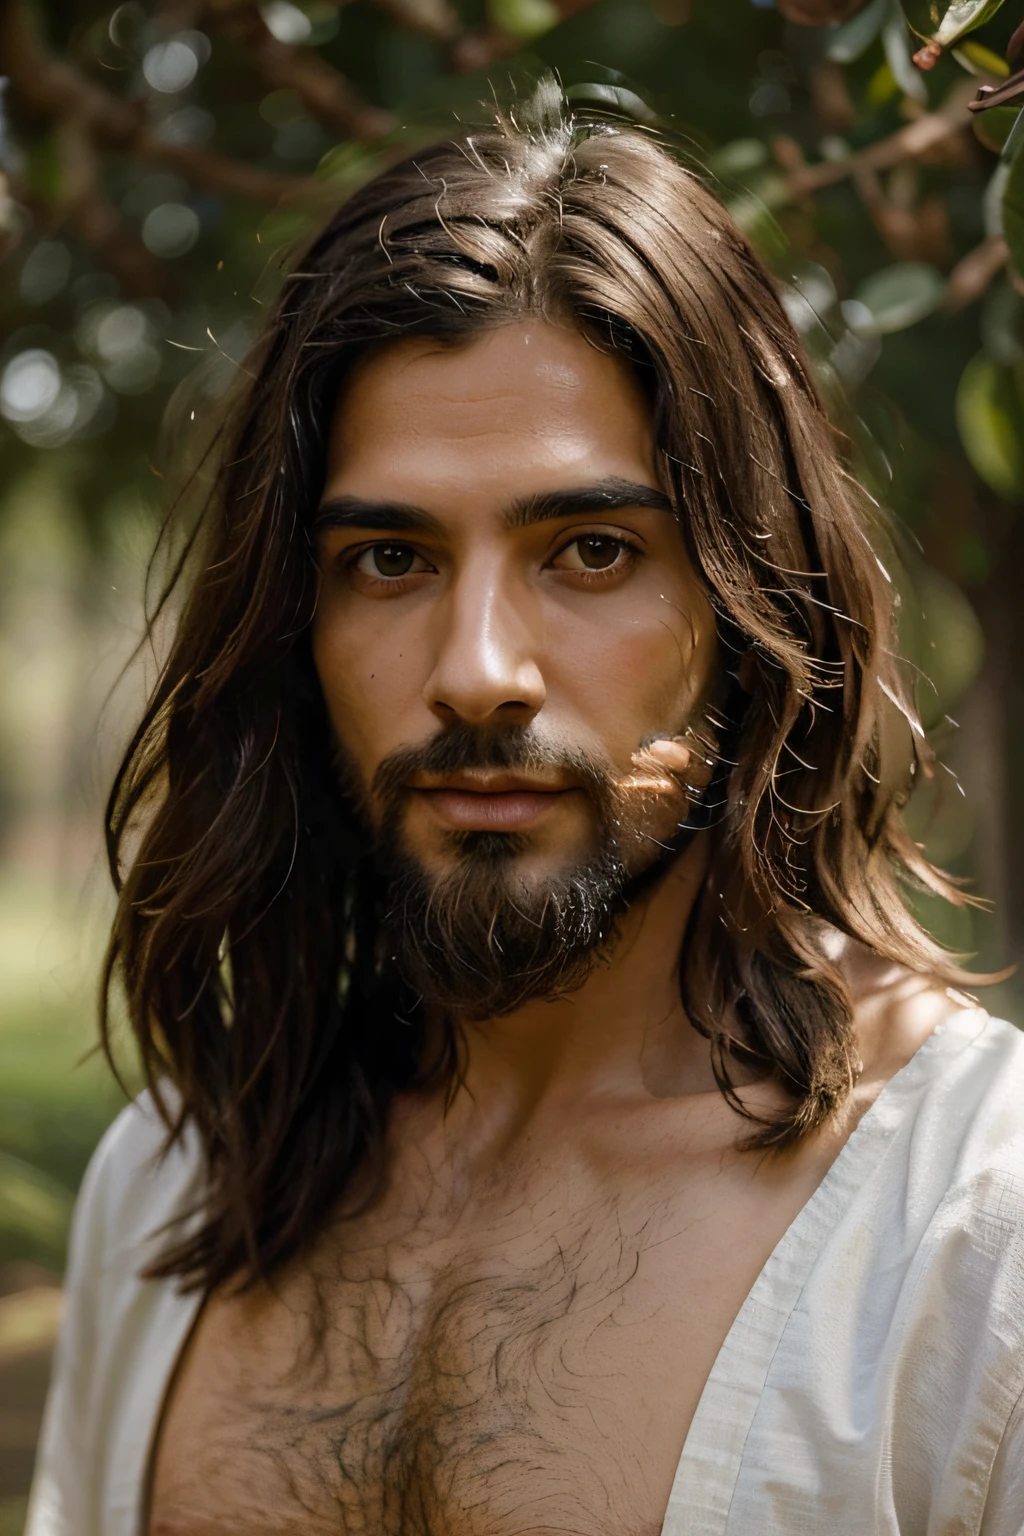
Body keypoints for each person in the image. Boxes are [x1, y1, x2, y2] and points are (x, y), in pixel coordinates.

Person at [26, 83, 1024, 1536]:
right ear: (291, 623)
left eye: (595, 550)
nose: (479, 673)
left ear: (754, 605)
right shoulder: (181, 1179)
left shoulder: (968, 1232)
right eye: (388, 560)